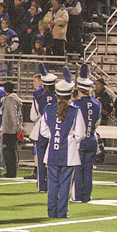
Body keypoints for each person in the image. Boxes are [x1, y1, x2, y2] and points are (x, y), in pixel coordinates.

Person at [39, 67, 84, 218]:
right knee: (65, 184)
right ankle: (62, 212)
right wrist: (70, 139)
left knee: (52, 184)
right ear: (70, 94)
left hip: (52, 152)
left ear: (57, 94)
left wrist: (54, 137)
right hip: (69, 154)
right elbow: (80, 134)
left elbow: (44, 132)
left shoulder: (49, 109)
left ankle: (51, 212)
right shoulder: (75, 111)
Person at [72, 64, 101, 202]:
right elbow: (96, 123)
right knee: (88, 170)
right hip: (92, 140)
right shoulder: (97, 104)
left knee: (78, 169)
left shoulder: (75, 104)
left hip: (79, 141)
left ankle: (77, 196)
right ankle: (86, 196)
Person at [29, 64, 57, 191]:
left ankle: (42, 185)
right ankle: (53, 184)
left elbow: (33, 116)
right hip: (57, 130)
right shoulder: (59, 97)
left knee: (41, 159)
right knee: (54, 159)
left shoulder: (38, 97)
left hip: (42, 130)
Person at [0, 82, 22, 179]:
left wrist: (16, 127)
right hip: (11, 129)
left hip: (9, 129)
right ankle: (11, 171)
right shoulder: (14, 99)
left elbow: (13, 115)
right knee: (11, 151)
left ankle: (11, 172)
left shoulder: (10, 100)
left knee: (8, 152)